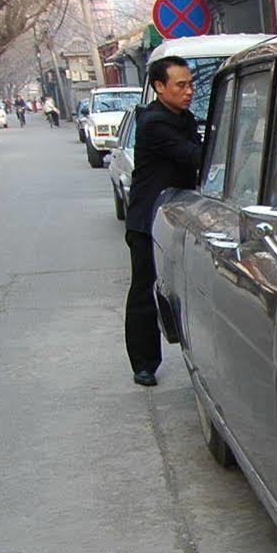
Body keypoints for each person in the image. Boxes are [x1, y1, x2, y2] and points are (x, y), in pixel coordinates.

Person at [123, 56, 203, 386]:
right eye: (180, 85)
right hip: (147, 220)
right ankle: (144, 363)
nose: (189, 91)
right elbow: (195, 156)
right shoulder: (154, 123)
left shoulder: (184, 118)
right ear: (159, 87)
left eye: (190, 84)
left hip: (177, 214)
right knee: (145, 289)